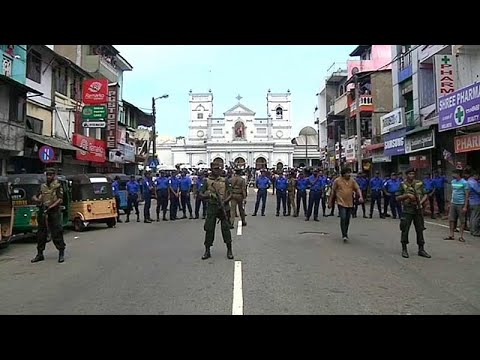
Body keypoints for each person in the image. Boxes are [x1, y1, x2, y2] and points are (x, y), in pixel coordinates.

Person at [31, 168, 66, 263]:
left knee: (57, 232)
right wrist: (37, 199)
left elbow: (60, 199)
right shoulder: (42, 186)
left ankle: (61, 252)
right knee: (41, 233)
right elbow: (34, 196)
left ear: (54, 175)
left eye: (50, 175)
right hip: (43, 210)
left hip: (53, 211)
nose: (48, 177)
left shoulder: (58, 185)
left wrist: (51, 207)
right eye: (47, 175)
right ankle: (40, 254)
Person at [200, 162, 234, 260]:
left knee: (226, 229)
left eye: (219, 169)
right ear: (211, 169)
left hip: (223, 207)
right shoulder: (206, 181)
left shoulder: (225, 180)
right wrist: (208, 196)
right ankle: (207, 250)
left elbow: (230, 193)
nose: (217, 170)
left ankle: (229, 249)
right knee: (209, 229)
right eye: (215, 169)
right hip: (212, 207)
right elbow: (200, 194)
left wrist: (224, 201)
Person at [397, 168, 431, 258]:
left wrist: (420, 203)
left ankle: (421, 249)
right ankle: (404, 249)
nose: (412, 176)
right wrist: (407, 195)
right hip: (407, 210)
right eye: (410, 174)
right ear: (406, 175)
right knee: (405, 229)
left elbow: (426, 194)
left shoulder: (419, 183)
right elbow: (397, 197)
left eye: (413, 174)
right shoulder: (402, 184)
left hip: (418, 209)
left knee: (420, 229)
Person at [328, 167, 364, 242]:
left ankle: (346, 232)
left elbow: (357, 189)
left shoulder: (352, 181)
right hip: (341, 202)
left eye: (349, 173)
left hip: (350, 203)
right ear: (343, 174)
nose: (349, 174)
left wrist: (360, 196)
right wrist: (330, 202)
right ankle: (344, 234)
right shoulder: (337, 181)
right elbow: (333, 192)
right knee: (343, 217)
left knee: (347, 219)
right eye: (347, 173)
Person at [444, 169, 469, 242]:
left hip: (461, 204)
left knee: (462, 220)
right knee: (451, 219)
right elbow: (453, 192)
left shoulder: (464, 183)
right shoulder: (453, 182)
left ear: (458, 174)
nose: (452, 175)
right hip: (453, 203)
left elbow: (467, 195)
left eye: (454, 174)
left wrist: (465, 206)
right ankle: (451, 235)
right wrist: (449, 203)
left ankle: (461, 236)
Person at [466, 170, 480, 236]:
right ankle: (475, 231)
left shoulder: (468, 181)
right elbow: (479, 191)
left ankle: (472, 230)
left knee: (472, 217)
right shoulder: (474, 183)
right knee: (476, 217)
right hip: (476, 201)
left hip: (471, 201)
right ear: (475, 175)